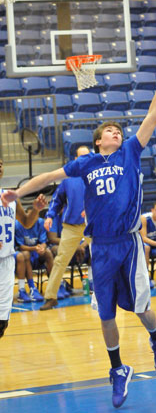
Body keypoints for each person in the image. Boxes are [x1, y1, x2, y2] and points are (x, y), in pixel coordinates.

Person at [1, 44, 156, 409]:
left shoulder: (131, 150)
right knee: (106, 314)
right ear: (98, 140)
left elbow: (153, 114)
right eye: (110, 130)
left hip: (129, 243)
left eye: (118, 129)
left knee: (143, 308)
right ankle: (117, 369)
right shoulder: (87, 165)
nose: (116, 131)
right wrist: (17, 191)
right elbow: (50, 175)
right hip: (99, 245)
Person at [0, 158, 46, 338]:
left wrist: (35, 209)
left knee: (2, 322)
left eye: (2, 163)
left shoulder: (10, 197)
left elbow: (26, 222)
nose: (0, 166)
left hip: (6, 262)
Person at [41, 145, 91, 310]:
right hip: (71, 226)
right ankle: (51, 297)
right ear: (76, 159)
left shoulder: (97, 176)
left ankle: (114, 290)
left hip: (93, 224)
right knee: (60, 260)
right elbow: (57, 200)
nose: (84, 159)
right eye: (81, 157)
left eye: (87, 156)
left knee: (104, 256)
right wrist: (49, 216)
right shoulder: (68, 179)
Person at [15, 208, 53, 302]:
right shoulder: (18, 224)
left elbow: (44, 242)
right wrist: (35, 248)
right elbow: (21, 247)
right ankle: (31, 288)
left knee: (48, 252)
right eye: (29, 216)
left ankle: (55, 286)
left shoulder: (40, 222)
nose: (31, 219)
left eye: (34, 216)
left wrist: (42, 247)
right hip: (25, 256)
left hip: (37, 255)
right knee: (25, 254)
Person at [140, 201, 156, 288]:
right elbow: (143, 237)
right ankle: (146, 278)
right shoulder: (144, 218)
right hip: (145, 243)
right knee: (146, 248)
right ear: (152, 210)